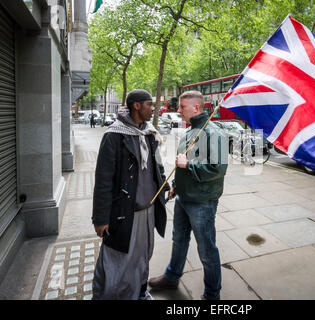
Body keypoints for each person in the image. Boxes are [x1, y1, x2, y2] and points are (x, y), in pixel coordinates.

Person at [148, 90, 228, 300]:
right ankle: (172, 277)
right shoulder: (190, 131)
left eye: (182, 107)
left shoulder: (213, 132)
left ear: (197, 108)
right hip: (184, 197)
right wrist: (175, 185)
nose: (179, 110)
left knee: (206, 249)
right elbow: (182, 166)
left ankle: (212, 295)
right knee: (179, 240)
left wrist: (188, 164)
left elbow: (218, 169)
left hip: (202, 202)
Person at [91, 89, 169, 300]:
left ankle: (140, 292)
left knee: (142, 257)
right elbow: (103, 180)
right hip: (124, 213)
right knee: (118, 260)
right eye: (149, 105)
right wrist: (100, 218)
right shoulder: (114, 136)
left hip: (148, 210)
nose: (153, 109)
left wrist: (166, 186)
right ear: (137, 106)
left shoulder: (149, 133)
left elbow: (157, 167)